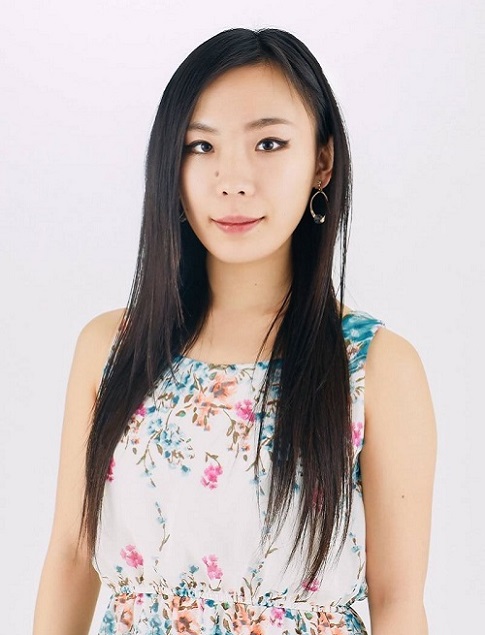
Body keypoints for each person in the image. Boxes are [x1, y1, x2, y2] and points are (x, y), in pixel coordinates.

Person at [33, 27, 436, 635]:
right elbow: (70, 557)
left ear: (322, 161)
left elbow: (398, 600)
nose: (233, 179)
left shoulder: (373, 366)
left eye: (269, 143)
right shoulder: (112, 350)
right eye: (201, 146)